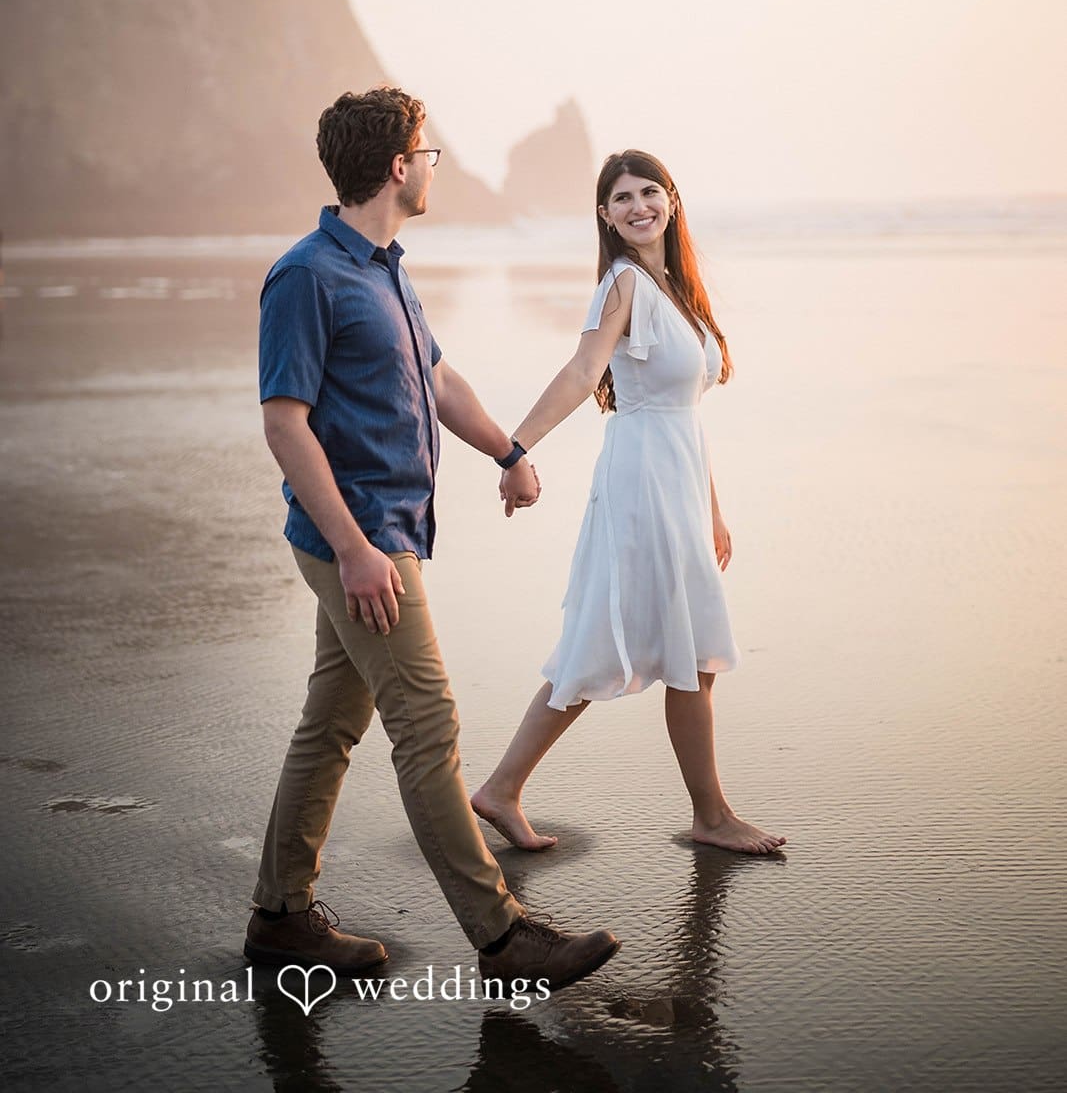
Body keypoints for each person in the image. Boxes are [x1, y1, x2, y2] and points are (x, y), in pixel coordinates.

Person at [243, 86, 619, 993]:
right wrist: (357, 550)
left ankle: (280, 916)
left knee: (331, 723)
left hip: (386, 531)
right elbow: (285, 425)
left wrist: (509, 449)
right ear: (396, 165)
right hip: (358, 540)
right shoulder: (307, 275)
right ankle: (502, 939)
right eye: (427, 150)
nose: (434, 163)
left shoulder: (384, 265)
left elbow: (437, 378)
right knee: (427, 723)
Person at [472, 150, 786, 856]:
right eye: (622, 197)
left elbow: (683, 412)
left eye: (649, 191)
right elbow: (584, 370)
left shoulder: (670, 285)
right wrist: (514, 448)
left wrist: (712, 509)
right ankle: (708, 816)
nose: (638, 205)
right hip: (641, 485)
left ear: (670, 201)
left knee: (678, 650)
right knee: (662, 649)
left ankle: (501, 789)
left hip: (675, 478)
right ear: (606, 216)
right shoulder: (622, 284)